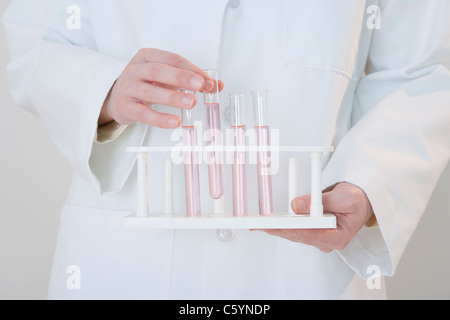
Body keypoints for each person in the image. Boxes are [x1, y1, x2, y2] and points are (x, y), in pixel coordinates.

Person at [3, 0, 449, 300]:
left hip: (303, 265)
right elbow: (30, 44)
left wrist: (368, 180)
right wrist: (106, 88)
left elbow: (421, 71)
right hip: (126, 259)